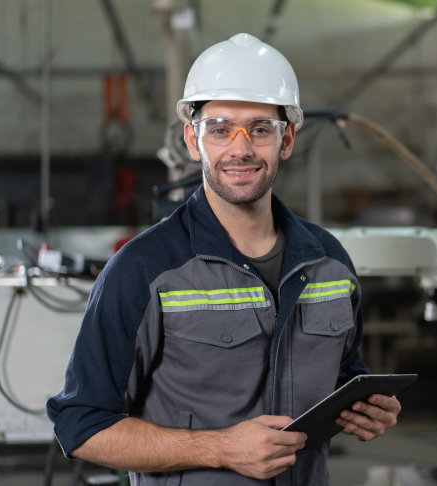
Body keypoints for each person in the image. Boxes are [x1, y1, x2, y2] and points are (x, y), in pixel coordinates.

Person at [46, 33, 401, 485]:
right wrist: (221, 449)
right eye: (219, 128)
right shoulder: (145, 270)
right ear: (194, 142)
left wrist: (365, 410)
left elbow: (345, 375)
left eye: (259, 128)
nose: (240, 148)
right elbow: (81, 425)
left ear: (287, 138)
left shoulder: (330, 262)